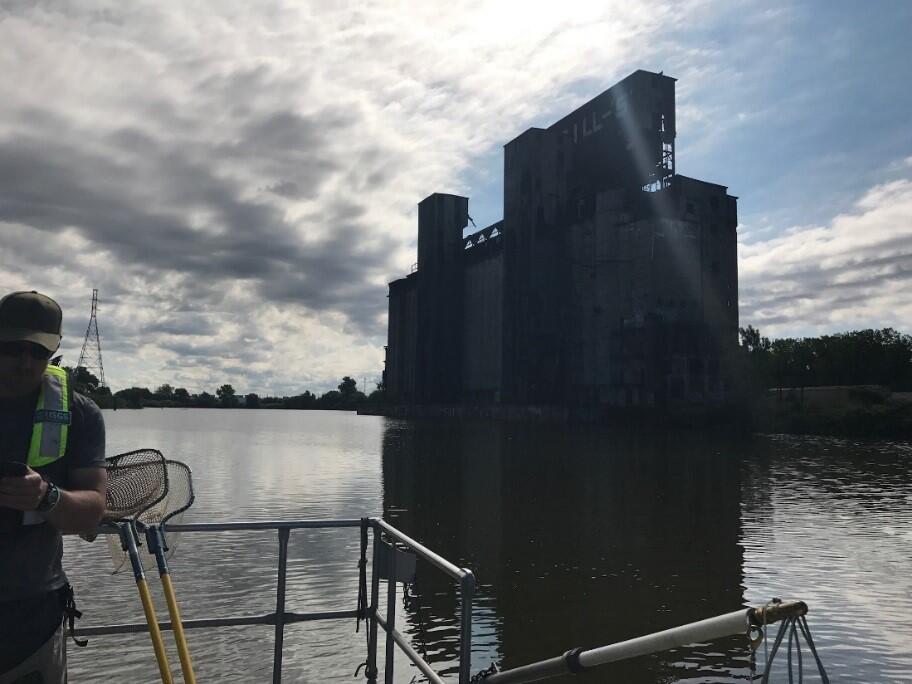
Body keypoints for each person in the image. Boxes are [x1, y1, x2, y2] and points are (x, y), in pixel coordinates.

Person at [0, 291, 107, 684]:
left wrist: (46, 496)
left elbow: (94, 509)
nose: (25, 361)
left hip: (32, 611)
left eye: (38, 351)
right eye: (12, 348)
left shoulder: (79, 413)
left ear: (55, 350)